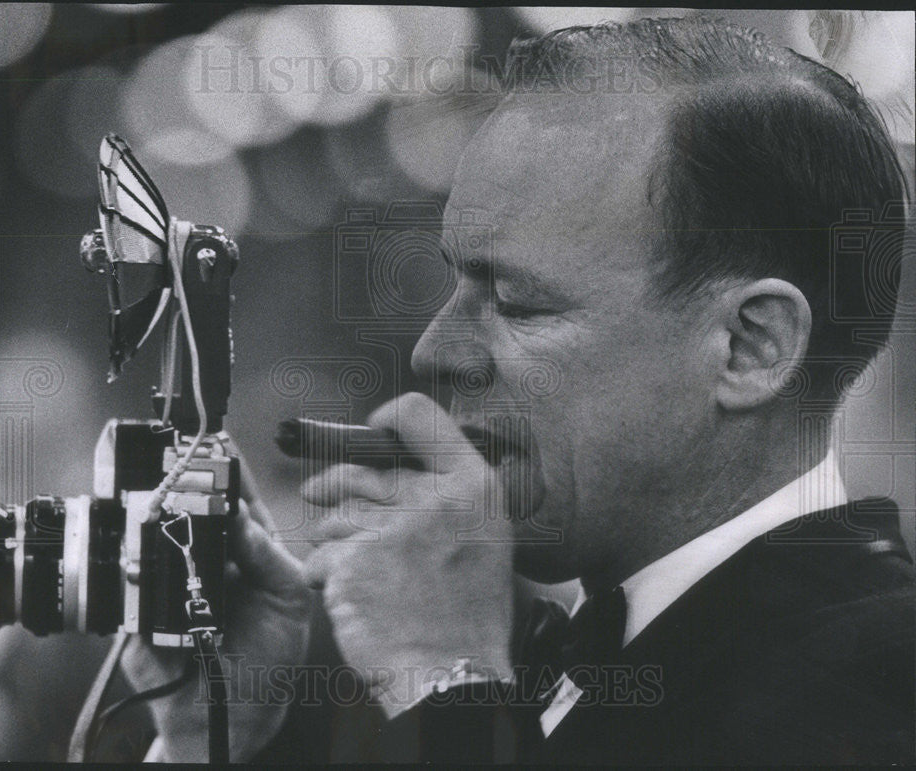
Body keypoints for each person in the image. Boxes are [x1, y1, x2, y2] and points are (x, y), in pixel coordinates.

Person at [121, 16, 913, 764]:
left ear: (750, 347)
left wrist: (445, 672)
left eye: (518, 302)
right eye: (456, 283)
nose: (437, 352)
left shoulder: (882, 680)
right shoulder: (545, 658)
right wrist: (210, 734)